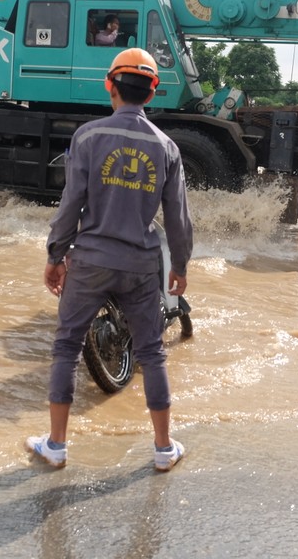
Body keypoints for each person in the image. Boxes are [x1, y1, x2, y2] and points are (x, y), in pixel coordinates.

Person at [26, 48, 193, 471]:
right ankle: (162, 449)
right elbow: (178, 218)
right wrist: (181, 267)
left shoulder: (87, 137)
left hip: (91, 261)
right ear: (152, 91)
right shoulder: (167, 147)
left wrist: (55, 255)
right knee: (152, 352)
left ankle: (57, 446)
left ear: (109, 85)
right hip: (141, 266)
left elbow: (70, 205)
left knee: (66, 346)